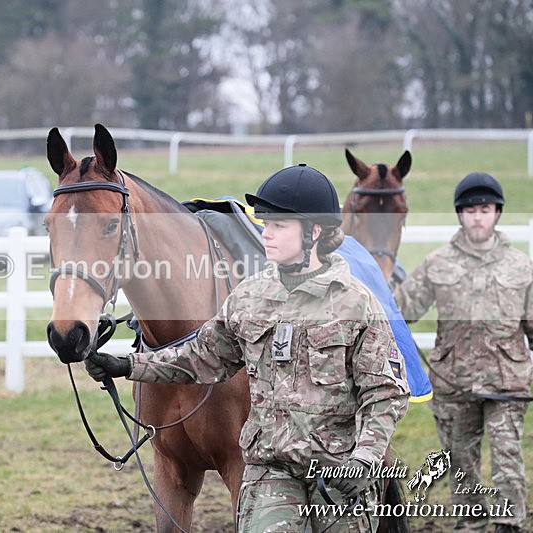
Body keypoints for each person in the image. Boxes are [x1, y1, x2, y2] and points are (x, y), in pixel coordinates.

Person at [87, 164, 410, 532]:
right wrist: (128, 366)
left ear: (313, 233)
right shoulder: (250, 297)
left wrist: (366, 459)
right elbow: (201, 358)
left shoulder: (358, 305)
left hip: (338, 471)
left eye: (277, 226)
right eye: (265, 224)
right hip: (270, 473)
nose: (265, 234)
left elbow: (385, 393)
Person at [393, 172, 532, 533]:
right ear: (459, 214)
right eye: (469, 210)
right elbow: (400, 311)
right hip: (453, 382)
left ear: (497, 213)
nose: (477, 217)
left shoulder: (522, 266)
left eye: (484, 209)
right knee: (461, 462)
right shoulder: (437, 264)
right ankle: (471, 524)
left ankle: (509, 524)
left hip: (508, 383)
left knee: (507, 456)